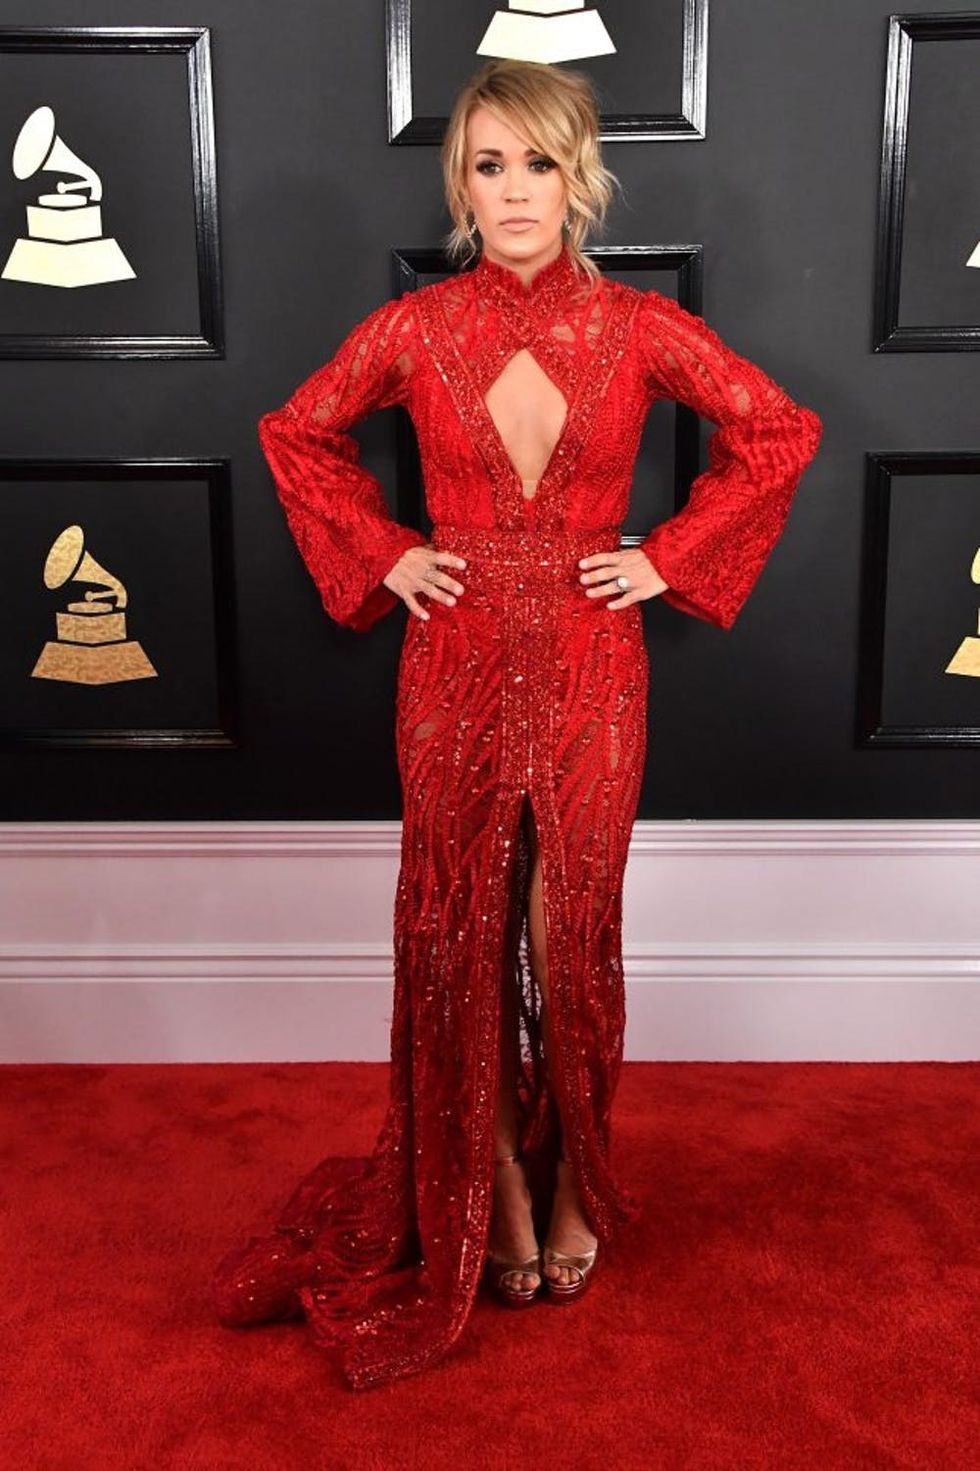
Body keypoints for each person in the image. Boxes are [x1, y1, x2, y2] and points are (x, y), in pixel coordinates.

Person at [211, 57, 823, 1389]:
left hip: (599, 659)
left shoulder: (645, 328)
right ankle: (480, 1184)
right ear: (460, 185)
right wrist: (385, 554)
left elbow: (776, 433)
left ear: (579, 174)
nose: (511, 192)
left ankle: (581, 1191)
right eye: (486, 167)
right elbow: (295, 432)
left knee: (571, 924)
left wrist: (666, 557)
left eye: (535, 163)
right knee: (460, 924)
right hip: (454, 662)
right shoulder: (419, 328)